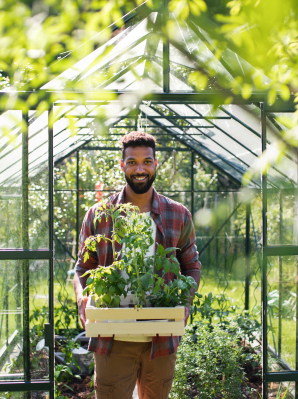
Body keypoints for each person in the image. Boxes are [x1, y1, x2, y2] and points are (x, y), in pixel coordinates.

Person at [72, 131, 201, 399]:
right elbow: (82, 268)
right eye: (132, 162)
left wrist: (185, 303)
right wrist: (83, 297)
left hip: (161, 335)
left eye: (146, 162)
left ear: (156, 164)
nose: (139, 169)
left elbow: (192, 267)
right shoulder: (99, 215)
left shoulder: (177, 214)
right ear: (122, 166)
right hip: (112, 337)